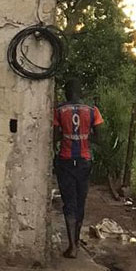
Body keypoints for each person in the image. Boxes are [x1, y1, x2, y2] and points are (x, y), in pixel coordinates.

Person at [53, 79, 103, 259]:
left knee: (69, 203)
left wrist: (67, 136)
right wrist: (85, 136)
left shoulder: (59, 111)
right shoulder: (92, 111)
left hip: (66, 161)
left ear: (67, 92)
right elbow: (99, 139)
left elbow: (55, 137)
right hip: (84, 161)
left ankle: (72, 246)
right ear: (80, 92)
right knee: (80, 202)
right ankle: (76, 241)